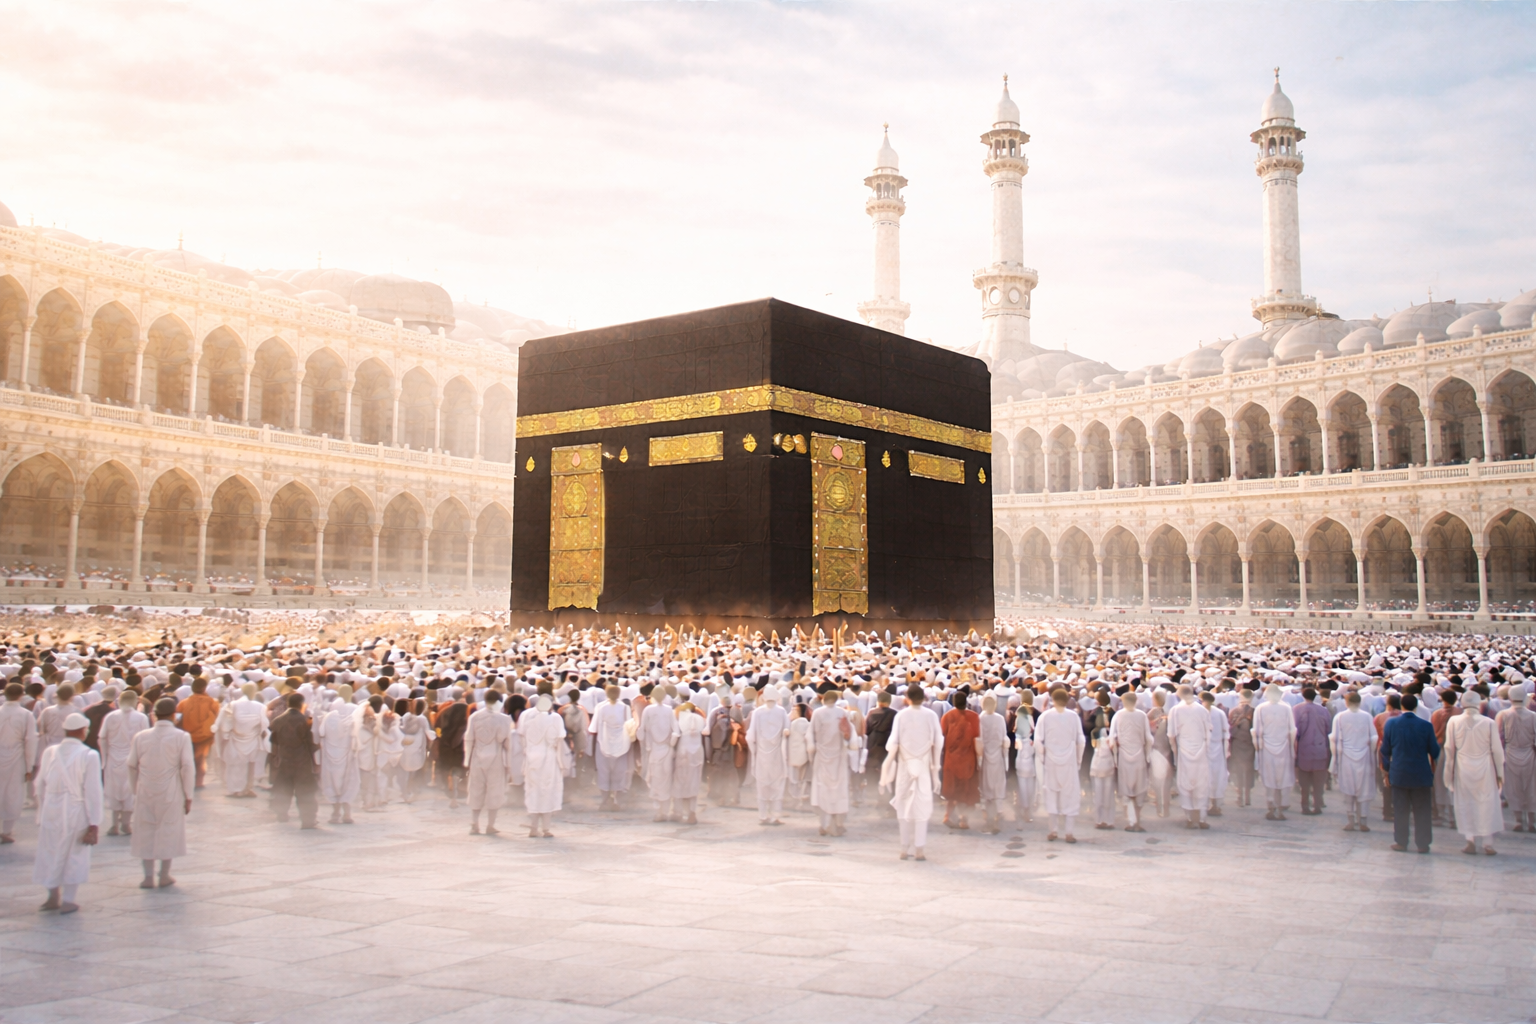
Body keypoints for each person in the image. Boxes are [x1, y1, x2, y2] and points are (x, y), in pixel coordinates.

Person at [33, 713, 101, 914]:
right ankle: (68, 900)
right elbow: (93, 791)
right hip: (75, 809)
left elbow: (40, 784)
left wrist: (43, 809)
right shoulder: (89, 755)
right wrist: (94, 822)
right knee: (75, 853)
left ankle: (52, 896)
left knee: (50, 849)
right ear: (82, 730)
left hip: (51, 808)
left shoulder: (50, 752)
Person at [126, 697, 195, 889]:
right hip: (171, 791)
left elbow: (131, 765)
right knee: (168, 830)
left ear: (154, 715)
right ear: (174, 715)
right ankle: (164, 875)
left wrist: (135, 789)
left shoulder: (141, 736)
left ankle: (148, 877)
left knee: (145, 830)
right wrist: (188, 796)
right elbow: (187, 767)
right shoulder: (181, 736)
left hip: (146, 789)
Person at [881, 683, 943, 861]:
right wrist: (935, 770)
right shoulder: (930, 715)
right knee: (921, 807)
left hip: (905, 766)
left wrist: (890, 759)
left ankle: (904, 848)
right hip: (923, 766)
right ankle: (919, 850)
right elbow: (938, 742)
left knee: (904, 806)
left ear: (907, 698)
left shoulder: (901, 715)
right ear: (924, 698)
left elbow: (892, 742)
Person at [1443, 689, 1505, 856]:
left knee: (1466, 803)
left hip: (1463, 766)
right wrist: (1500, 773)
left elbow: (1449, 749)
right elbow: (1497, 751)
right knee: (1486, 803)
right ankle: (1488, 843)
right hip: (1485, 767)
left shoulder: (1454, 721)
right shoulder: (1488, 722)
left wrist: (1448, 773)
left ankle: (1470, 840)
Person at [1381, 693, 1440, 854]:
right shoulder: (1426, 725)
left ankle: (1401, 842)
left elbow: (1385, 749)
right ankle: (1422, 844)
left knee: (1400, 809)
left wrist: (1387, 769)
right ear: (1415, 706)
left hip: (1399, 772)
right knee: (1422, 810)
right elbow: (1434, 751)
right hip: (1421, 773)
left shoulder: (1391, 723)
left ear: (1401, 706)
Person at [1035, 687, 1085, 842]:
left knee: (1051, 793)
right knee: (1070, 794)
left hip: (1051, 760)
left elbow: (1038, 740)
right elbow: (1081, 740)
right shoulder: (1073, 716)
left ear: (1052, 700)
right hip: (1069, 760)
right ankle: (1069, 833)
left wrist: (1042, 757)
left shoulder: (1045, 716)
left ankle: (1053, 830)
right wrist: (1078, 760)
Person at [99, 690, 150, 837]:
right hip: (133, 758)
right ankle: (126, 824)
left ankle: (114, 824)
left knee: (114, 790)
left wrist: (105, 755)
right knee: (131, 790)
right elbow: (145, 739)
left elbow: (102, 737)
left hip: (113, 758)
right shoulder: (141, 718)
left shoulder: (110, 716)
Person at [464, 691, 512, 835]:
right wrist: (508, 764)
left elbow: (469, 739)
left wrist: (467, 760)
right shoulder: (504, 719)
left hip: (477, 757)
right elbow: (507, 743)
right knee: (495, 791)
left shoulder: (475, 717)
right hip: (495, 758)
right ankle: (490, 825)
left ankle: (474, 823)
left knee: (475, 789)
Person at [268, 692, 319, 829]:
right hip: (302, 761)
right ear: (302, 704)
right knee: (305, 791)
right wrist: (316, 764)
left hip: (285, 760)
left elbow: (274, 742)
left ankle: (281, 814)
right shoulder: (306, 721)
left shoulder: (278, 721)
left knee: (283, 788)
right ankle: (308, 820)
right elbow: (311, 744)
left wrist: (275, 758)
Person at [520, 694, 567, 837]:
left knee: (533, 790)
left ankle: (533, 828)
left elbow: (523, 741)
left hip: (531, 757)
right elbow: (559, 742)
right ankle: (546, 828)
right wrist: (562, 763)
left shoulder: (528, 719)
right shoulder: (556, 719)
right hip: (549, 758)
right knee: (548, 790)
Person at [1329, 690, 1377, 832]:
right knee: (1364, 788)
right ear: (1359, 702)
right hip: (1364, 756)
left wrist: (1335, 759)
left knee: (1348, 789)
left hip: (1346, 757)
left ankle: (1350, 821)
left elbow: (1334, 739)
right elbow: (1374, 738)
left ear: (1346, 702)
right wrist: (1370, 751)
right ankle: (1363, 820)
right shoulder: (1367, 716)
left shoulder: (1340, 717)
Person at [1167, 684, 1213, 830]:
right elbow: (1208, 731)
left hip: (1184, 751)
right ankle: (1202, 818)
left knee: (1186, 784)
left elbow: (1171, 735)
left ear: (1179, 694)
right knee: (1201, 783)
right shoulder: (1202, 710)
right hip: (1201, 750)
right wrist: (1206, 748)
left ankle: (1190, 819)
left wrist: (1175, 751)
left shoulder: (1175, 710)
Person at [809, 689, 852, 837]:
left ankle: (824, 824)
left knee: (823, 789)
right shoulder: (842, 713)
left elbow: (813, 732)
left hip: (823, 755)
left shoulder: (818, 713)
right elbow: (849, 735)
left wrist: (811, 753)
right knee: (838, 789)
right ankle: (837, 823)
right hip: (838, 755)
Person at [1108, 689, 1152, 833]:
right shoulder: (1142, 715)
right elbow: (1148, 738)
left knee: (1126, 789)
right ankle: (1137, 821)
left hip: (1124, 756)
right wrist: (1148, 755)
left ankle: (1131, 821)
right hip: (1139, 754)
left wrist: (1114, 755)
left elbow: (1112, 738)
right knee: (1139, 788)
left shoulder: (1118, 715)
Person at [0, 682, 39, 843]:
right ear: (21, 695)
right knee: (13, 792)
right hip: (17, 757)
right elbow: (30, 740)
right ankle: (7, 830)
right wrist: (29, 766)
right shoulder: (25, 715)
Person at [316, 685, 360, 823]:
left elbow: (322, 733)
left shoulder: (329, 714)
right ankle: (347, 814)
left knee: (333, 781)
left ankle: (335, 814)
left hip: (331, 754)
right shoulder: (355, 710)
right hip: (348, 753)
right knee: (348, 780)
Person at [217, 683, 269, 800]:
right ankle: (247, 788)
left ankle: (236, 789)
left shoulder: (233, 705)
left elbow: (226, 724)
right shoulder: (260, 706)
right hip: (253, 740)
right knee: (251, 765)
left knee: (235, 765)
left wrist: (226, 734)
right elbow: (264, 724)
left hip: (236, 738)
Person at [1253, 684, 1297, 821]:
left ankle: (1271, 807)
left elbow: (1257, 731)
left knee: (1269, 777)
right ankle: (1279, 807)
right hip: (1283, 746)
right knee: (1281, 777)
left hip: (1267, 747)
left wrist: (1258, 747)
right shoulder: (1286, 708)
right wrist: (1291, 748)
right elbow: (1292, 730)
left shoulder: (1261, 708)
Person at [746, 688, 789, 826]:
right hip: (777, 754)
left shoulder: (758, 712)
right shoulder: (781, 711)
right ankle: (775, 816)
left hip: (761, 753)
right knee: (777, 784)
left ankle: (763, 815)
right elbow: (787, 731)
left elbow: (751, 735)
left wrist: (753, 751)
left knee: (762, 784)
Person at [940, 689, 980, 829]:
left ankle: (948, 815)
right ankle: (964, 819)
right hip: (967, 758)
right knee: (966, 790)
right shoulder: (974, 717)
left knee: (952, 789)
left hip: (950, 758)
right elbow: (976, 738)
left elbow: (943, 735)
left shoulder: (946, 717)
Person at [588, 685, 633, 810]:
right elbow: (630, 727)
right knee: (619, 773)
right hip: (622, 746)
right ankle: (616, 801)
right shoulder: (625, 708)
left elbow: (593, 728)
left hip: (603, 744)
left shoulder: (600, 707)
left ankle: (605, 800)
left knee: (603, 772)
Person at [1496, 691, 1536, 832]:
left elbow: (1498, 738)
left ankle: (1519, 820)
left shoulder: (1503, 715)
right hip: (1530, 755)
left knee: (1514, 788)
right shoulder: (1533, 716)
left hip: (1510, 754)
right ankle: (1532, 822)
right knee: (1532, 789)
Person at [639, 689, 679, 822]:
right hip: (663, 749)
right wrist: (671, 744)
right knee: (664, 780)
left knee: (658, 779)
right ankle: (663, 812)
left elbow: (641, 731)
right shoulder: (668, 710)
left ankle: (660, 812)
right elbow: (676, 732)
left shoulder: (649, 710)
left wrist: (646, 746)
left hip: (657, 750)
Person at [1293, 686, 1331, 815]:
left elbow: (1294, 731)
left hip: (1303, 750)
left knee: (1304, 782)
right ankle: (1318, 805)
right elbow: (1329, 731)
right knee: (1319, 781)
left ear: (1303, 696)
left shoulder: (1297, 709)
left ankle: (1305, 806)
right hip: (1321, 749)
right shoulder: (1323, 711)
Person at [177, 677, 220, 789]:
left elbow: (177, 719)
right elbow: (218, 719)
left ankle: (187, 780)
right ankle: (198, 782)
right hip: (205, 736)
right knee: (200, 759)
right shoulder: (213, 702)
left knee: (188, 759)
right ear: (205, 688)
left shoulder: (183, 703)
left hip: (187, 735)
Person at [977, 693, 1009, 834]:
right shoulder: (1000, 719)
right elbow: (1004, 740)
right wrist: (1006, 759)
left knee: (986, 787)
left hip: (985, 758)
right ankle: (997, 814)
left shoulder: (980, 719)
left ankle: (988, 817)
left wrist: (979, 760)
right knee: (997, 785)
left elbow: (980, 740)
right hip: (998, 757)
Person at [672, 701, 706, 824]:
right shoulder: (700, 719)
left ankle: (678, 812)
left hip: (683, 753)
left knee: (680, 782)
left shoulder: (678, 719)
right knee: (694, 783)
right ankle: (692, 812)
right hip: (697, 754)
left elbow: (675, 737)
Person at [434, 689, 470, 808]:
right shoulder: (466, 722)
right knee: (458, 772)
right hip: (461, 750)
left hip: (446, 748)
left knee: (449, 771)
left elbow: (437, 730)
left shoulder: (444, 717)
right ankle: (457, 794)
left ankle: (452, 795)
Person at [864, 689, 896, 816]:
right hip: (888, 748)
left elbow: (866, 731)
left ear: (878, 701)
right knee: (889, 775)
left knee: (876, 776)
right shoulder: (895, 714)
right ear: (889, 701)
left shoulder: (872, 714)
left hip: (873, 746)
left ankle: (879, 799)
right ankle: (889, 802)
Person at [1087, 691, 1116, 830]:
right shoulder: (1113, 713)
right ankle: (1108, 819)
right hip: (1109, 760)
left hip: (1098, 761)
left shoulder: (1095, 720)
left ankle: (1099, 819)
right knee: (1108, 792)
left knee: (1098, 791)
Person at [1201, 690, 1230, 818]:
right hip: (1204, 749)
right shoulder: (1201, 712)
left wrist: (1225, 750)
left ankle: (1215, 805)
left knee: (1216, 777)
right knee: (1206, 778)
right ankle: (1206, 805)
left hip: (1216, 748)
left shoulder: (1218, 713)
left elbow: (1226, 732)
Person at [1227, 688, 1257, 807]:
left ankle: (1240, 796)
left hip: (1237, 743)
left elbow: (1230, 729)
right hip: (1250, 743)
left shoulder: (1234, 711)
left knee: (1238, 769)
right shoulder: (1254, 711)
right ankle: (1247, 797)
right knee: (1249, 769)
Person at [1147, 689, 1174, 817]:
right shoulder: (1168, 714)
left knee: (1157, 779)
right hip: (1166, 748)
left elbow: (1148, 730)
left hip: (1156, 747)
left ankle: (1160, 807)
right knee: (1167, 780)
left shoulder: (1152, 713)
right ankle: (1166, 807)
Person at [1013, 690, 1036, 823]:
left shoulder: (1021, 717)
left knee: (1023, 784)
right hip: (1028, 755)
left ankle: (1023, 809)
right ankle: (1026, 810)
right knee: (1028, 785)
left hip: (1023, 755)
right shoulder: (1030, 716)